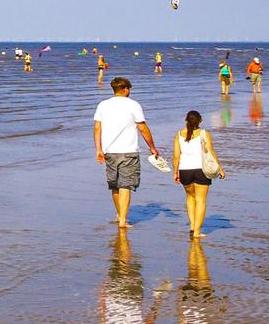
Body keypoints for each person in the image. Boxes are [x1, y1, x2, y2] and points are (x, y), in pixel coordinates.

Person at [94, 77, 160, 229]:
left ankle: (119, 215)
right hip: (129, 151)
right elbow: (142, 128)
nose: (129, 91)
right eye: (129, 89)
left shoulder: (103, 105)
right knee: (126, 185)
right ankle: (123, 220)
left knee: (115, 185)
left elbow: (97, 128)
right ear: (125, 89)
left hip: (110, 151)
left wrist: (98, 149)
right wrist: (152, 147)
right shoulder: (133, 105)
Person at [171, 110, 225, 238]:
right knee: (201, 200)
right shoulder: (204, 134)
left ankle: (192, 225)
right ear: (200, 121)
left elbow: (176, 156)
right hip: (201, 170)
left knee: (190, 197)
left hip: (184, 170)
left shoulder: (179, 134)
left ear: (186, 120)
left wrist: (175, 172)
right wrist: (220, 169)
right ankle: (197, 231)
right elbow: (211, 152)